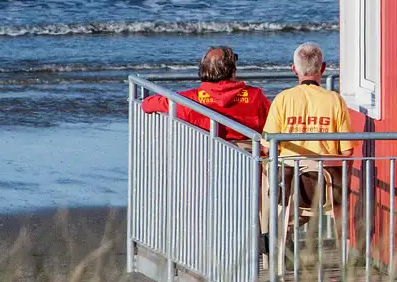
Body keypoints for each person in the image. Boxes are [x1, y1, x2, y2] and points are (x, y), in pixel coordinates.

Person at [261, 42, 356, 249]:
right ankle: (343, 253)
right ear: (322, 69)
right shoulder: (335, 100)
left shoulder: (282, 99)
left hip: (290, 188)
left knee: (269, 176)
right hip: (328, 190)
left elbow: (268, 147)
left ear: (294, 69)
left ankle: (275, 235)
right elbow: (347, 150)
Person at [142, 46, 270, 141]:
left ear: (203, 70)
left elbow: (147, 104)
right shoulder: (255, 96)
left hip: (204, 160)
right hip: (249, 163)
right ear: (233, 71)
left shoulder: (189, 100)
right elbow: (275, 123)